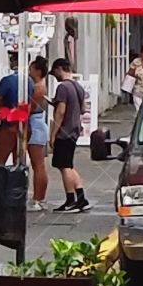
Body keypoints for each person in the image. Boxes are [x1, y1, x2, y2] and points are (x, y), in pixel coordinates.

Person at [49, 58, 89, 212]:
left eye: (55, 73)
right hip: (74, 129)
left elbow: (61, 111)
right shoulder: (78, 87)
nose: (55, 76)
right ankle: (81, 197)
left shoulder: (63, 88)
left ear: (60, 68)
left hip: (64, 131)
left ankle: (70, 199)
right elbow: (83, 109)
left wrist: (53, 134)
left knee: (64, 166)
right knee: (69, 165)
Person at [0, 50, 24, 166]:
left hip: (8, 127)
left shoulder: (7, 81)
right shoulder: (30, 82)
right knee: (19, 165)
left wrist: (7, 111)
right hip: (24, 128)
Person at [26, 56, 50, 210]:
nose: (29, 71)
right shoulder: (39, 86)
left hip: (35, 125)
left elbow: (30, 108)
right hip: (37, 123)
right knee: (37, 164)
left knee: (38, 165)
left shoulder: (38, 88)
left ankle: (38, 198)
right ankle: (38, 198)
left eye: (31, 69)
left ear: (38, 71)